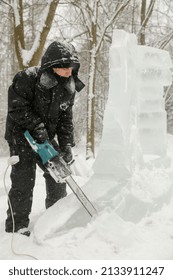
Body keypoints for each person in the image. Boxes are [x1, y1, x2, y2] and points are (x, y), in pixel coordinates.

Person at [4, 41, 85, 236]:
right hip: (21, 136)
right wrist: (38, 129)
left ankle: (54, 219)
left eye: (71, 67)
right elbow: (17, 107)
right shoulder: (27, 78)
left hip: (45, 137)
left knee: (58, 174)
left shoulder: (69, 86)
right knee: (24, 180)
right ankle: (17, 226)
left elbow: (66, 119)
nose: (69, 71)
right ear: (51, 65)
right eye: (64, 67)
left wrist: (65, 146)